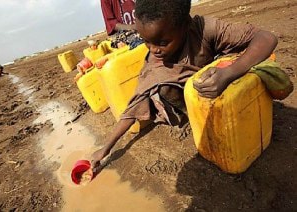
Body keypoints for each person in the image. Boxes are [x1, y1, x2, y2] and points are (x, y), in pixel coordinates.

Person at [88, 0, 278, 173]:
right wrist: (105, 148)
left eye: (162, 42)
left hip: (218, 80)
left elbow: (266, 38)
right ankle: (188, 117)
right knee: (163, 90)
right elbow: (133, 108)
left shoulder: (204, 29)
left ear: (185, 24)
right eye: (146, 41)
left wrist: (230, 72)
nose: (154, 49)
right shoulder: (155, 66)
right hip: (186, 100)